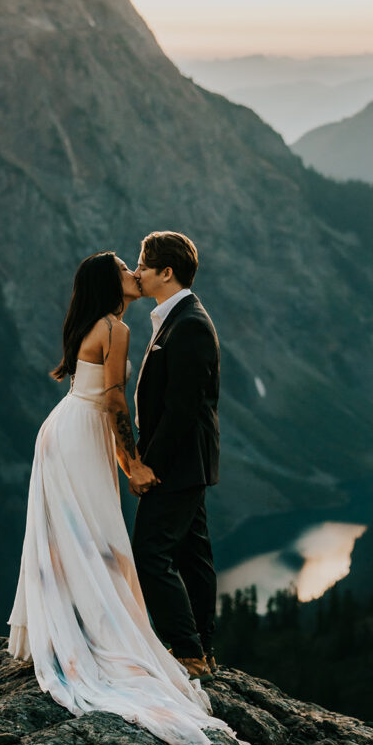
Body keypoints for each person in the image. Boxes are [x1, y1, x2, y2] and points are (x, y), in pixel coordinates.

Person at [5, 250, 253, 745]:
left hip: (64, 429)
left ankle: (73, 626)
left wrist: (126, 454)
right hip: (83, 434)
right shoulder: (115, 329)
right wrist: (132, 461)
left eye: (137, 265)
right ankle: (112, 636)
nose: (133, 273)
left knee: (70, 533)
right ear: (110, 284)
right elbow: (116, 399)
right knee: (96, 533)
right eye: (125, 268)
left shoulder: (95, 324)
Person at [132, 231, 220, 684]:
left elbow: (184, 408)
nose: (137, 272)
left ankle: (187, 651)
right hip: (187, 462)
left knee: (149, 552)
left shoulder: (189, 324)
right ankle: (201, 647)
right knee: (193, 555)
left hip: (178, 463)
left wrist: (150, 464)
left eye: (143, 265)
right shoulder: (178, 317)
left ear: (166, 272)